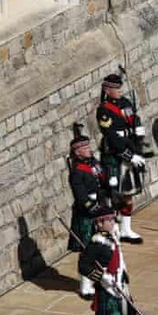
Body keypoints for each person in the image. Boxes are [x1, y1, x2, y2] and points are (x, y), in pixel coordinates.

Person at [78, 205, 133, 315]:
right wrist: (102, 277)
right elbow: (84, 266)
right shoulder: (97, 243)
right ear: (99, 223)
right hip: (105, 290)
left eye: (111, 219)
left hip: (117, 287)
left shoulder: (111, 237)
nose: (111, 222)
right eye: (108, 220)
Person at [96, 74, 146, 244]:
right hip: (115, 153)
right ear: (107, 90)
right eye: (115, 89)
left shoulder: (125, 102)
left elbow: (134, 119)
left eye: (119, 88)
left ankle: (126, 229)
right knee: (111, 193)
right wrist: (128, 155)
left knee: (128, 193)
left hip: (130, 145)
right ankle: (111, 229)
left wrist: (139, 133)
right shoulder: (104, 110)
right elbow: (111, 136)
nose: (119, 91)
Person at [67, 125, 108, 299]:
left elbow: (102, 182)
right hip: (86, 214)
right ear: (77, 152)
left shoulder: (94, 164)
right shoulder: (76, 172)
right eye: (84, 148)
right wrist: (95, 208)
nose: (88, 149)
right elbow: (81, 197)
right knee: (87, 250)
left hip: (99, 209)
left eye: (87, 146)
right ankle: (85, 286)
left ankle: (98, 279)